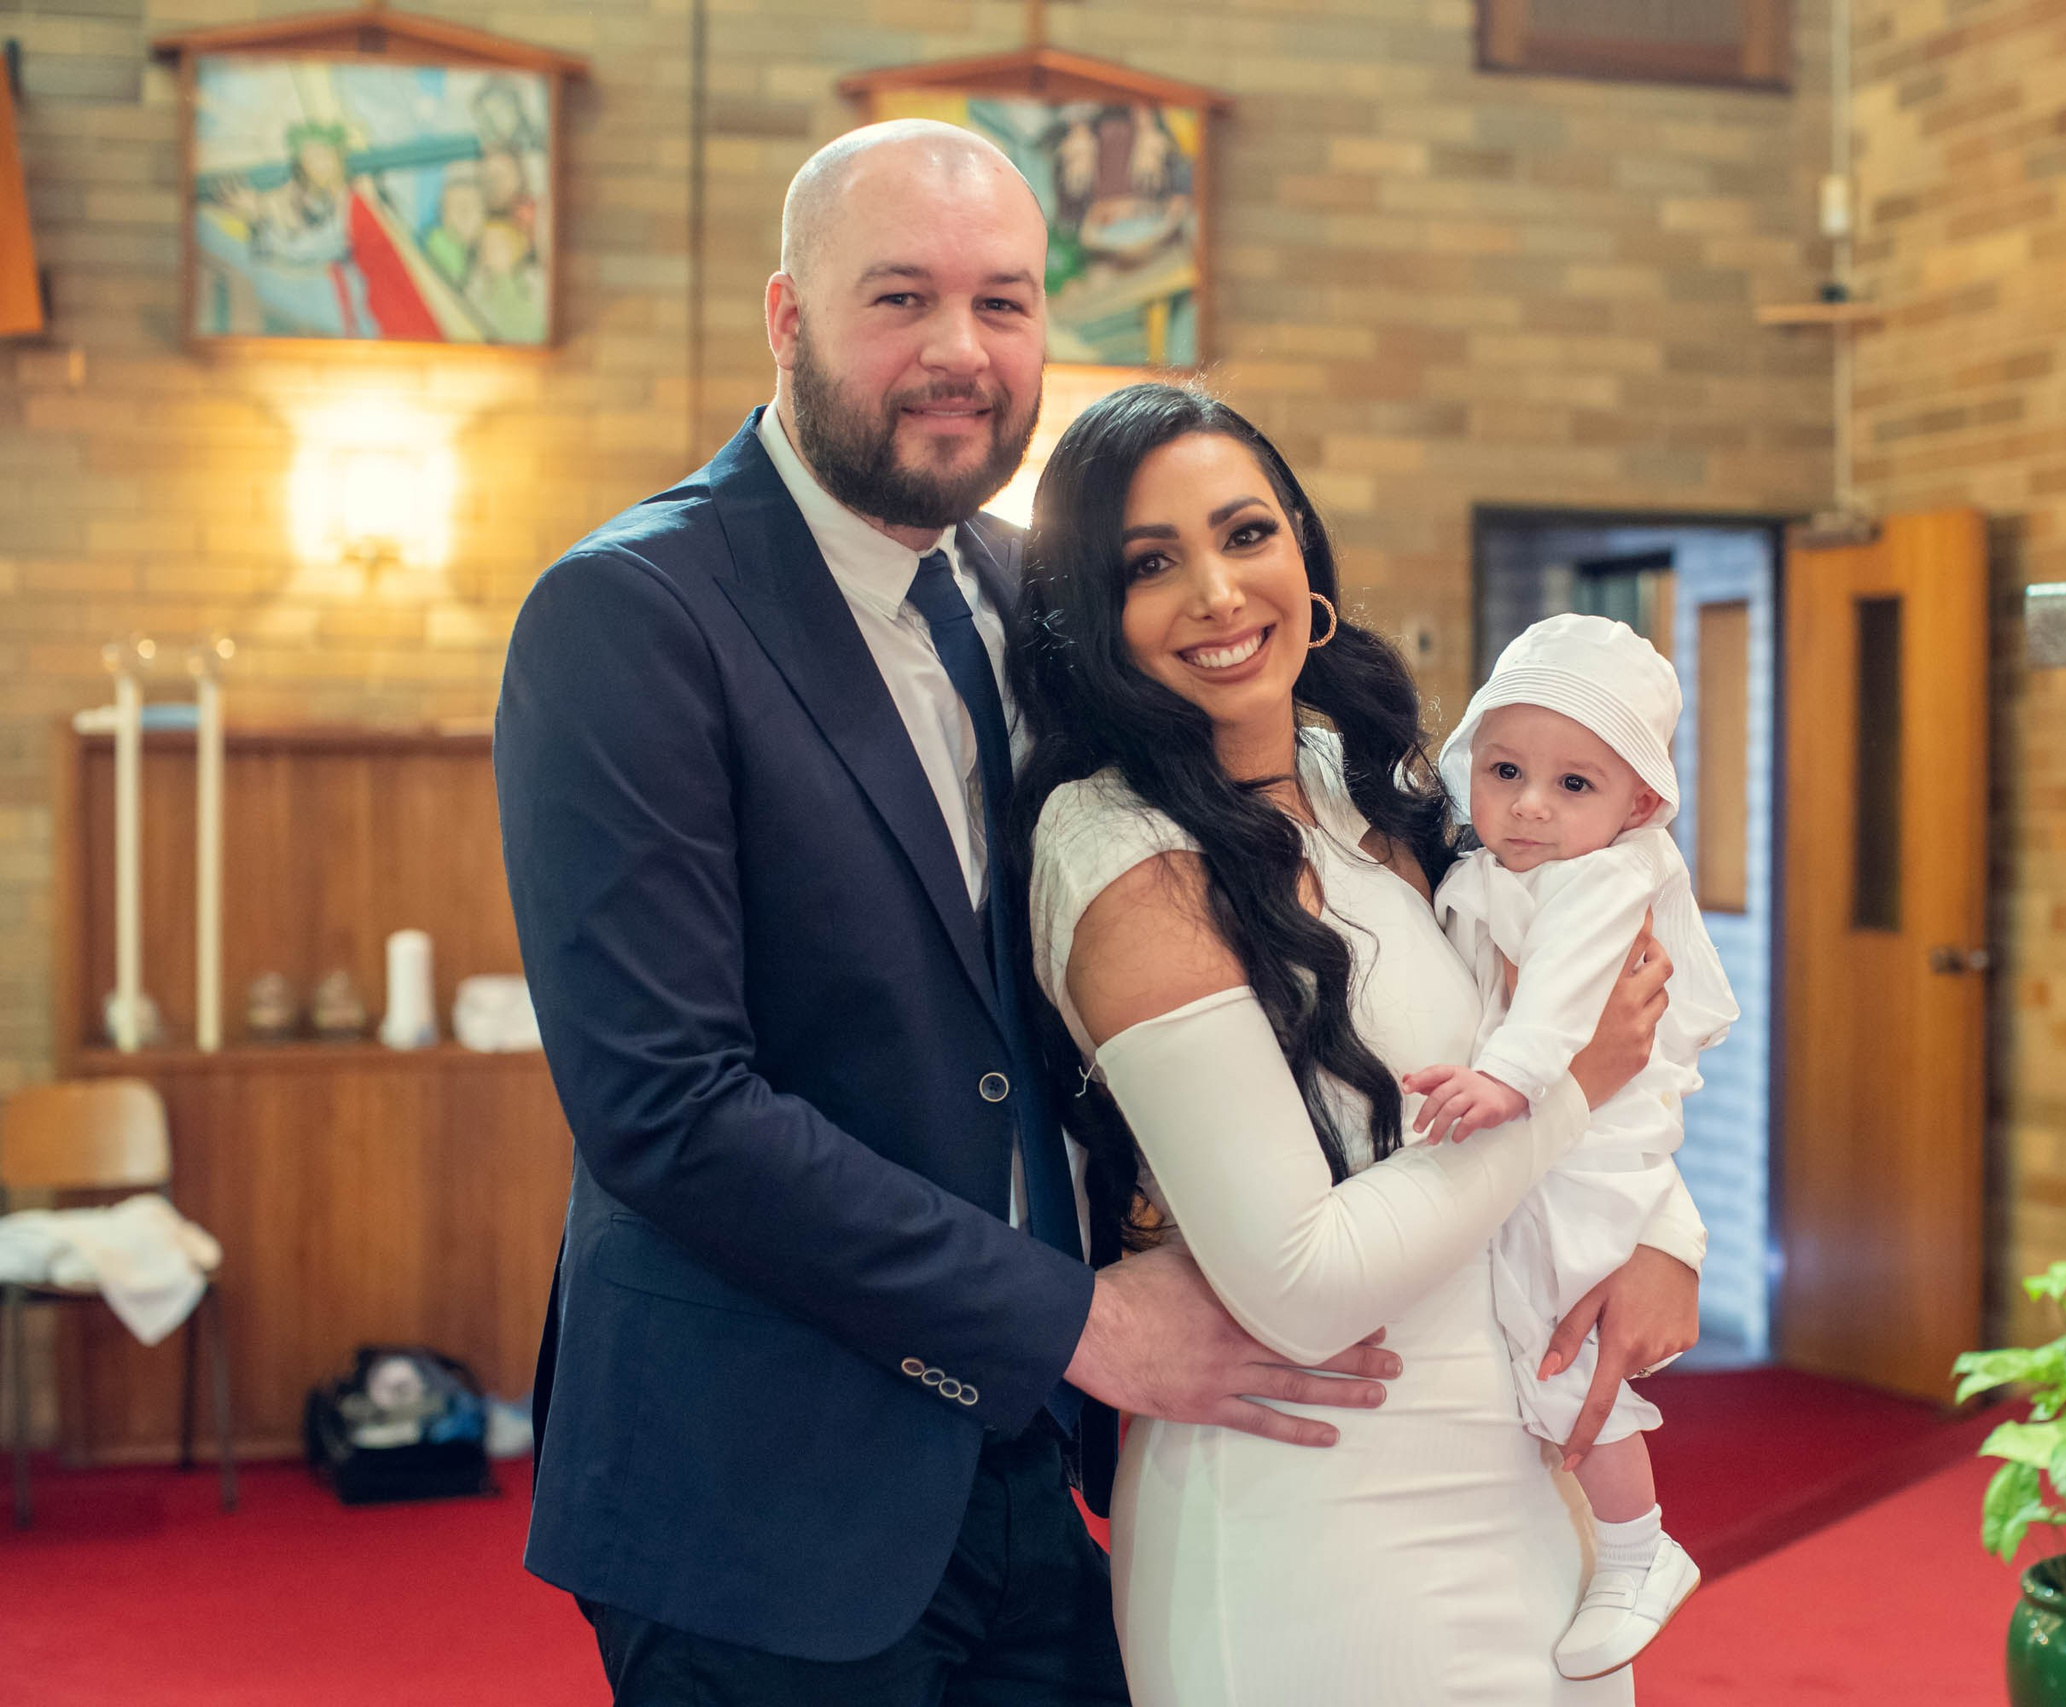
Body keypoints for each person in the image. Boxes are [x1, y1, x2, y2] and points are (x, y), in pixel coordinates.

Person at [494, 121, 1403, 1705]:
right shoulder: (631, 615)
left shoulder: (1041, 601)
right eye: (900, 299)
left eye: (1004, 302)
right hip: (762, 1484)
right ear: (785, 317)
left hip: (1037, 1466)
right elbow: (668, 1107)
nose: (959, 353)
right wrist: (1076, 1320)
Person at [1011, 383, 1711, 1704]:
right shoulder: (1123, 857)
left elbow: (1594, 1012)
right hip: (1312, 1503)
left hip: (1513, 1454)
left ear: (1305, 558)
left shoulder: (1368, 781)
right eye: (1151, 564)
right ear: (1092, 616)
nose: (1218, 591)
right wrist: (1574, 1094)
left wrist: (1668, 1230)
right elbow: (1301, 1282)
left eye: (1246, 532)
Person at [1407, 613, 1741, 1679]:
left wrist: (1503, 1076)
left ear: (1640, 803)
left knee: (1557, 1346)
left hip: (1590, 1149)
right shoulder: (1496, 864)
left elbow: (1557, 1004)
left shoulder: (1604, 879)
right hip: (1556, 1138)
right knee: (1534, 1338)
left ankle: (1640, 1550)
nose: (1531, 806)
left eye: (1574, 785)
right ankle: (1622, 1543)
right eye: (1506, 770)